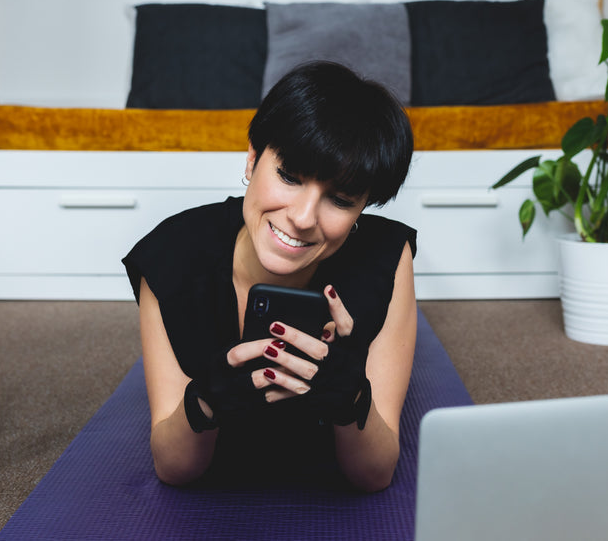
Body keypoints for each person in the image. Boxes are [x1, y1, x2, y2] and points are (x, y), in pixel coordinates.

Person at [122, 60, 417, 492]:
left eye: (340, 199)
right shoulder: (174, 254)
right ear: (252, 157)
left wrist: (350, 394)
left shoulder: (386, 258)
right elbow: (174, 468)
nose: (301, 218)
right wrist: (206, 400)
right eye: (289, 176)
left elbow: (374, 474)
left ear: (361, 210)